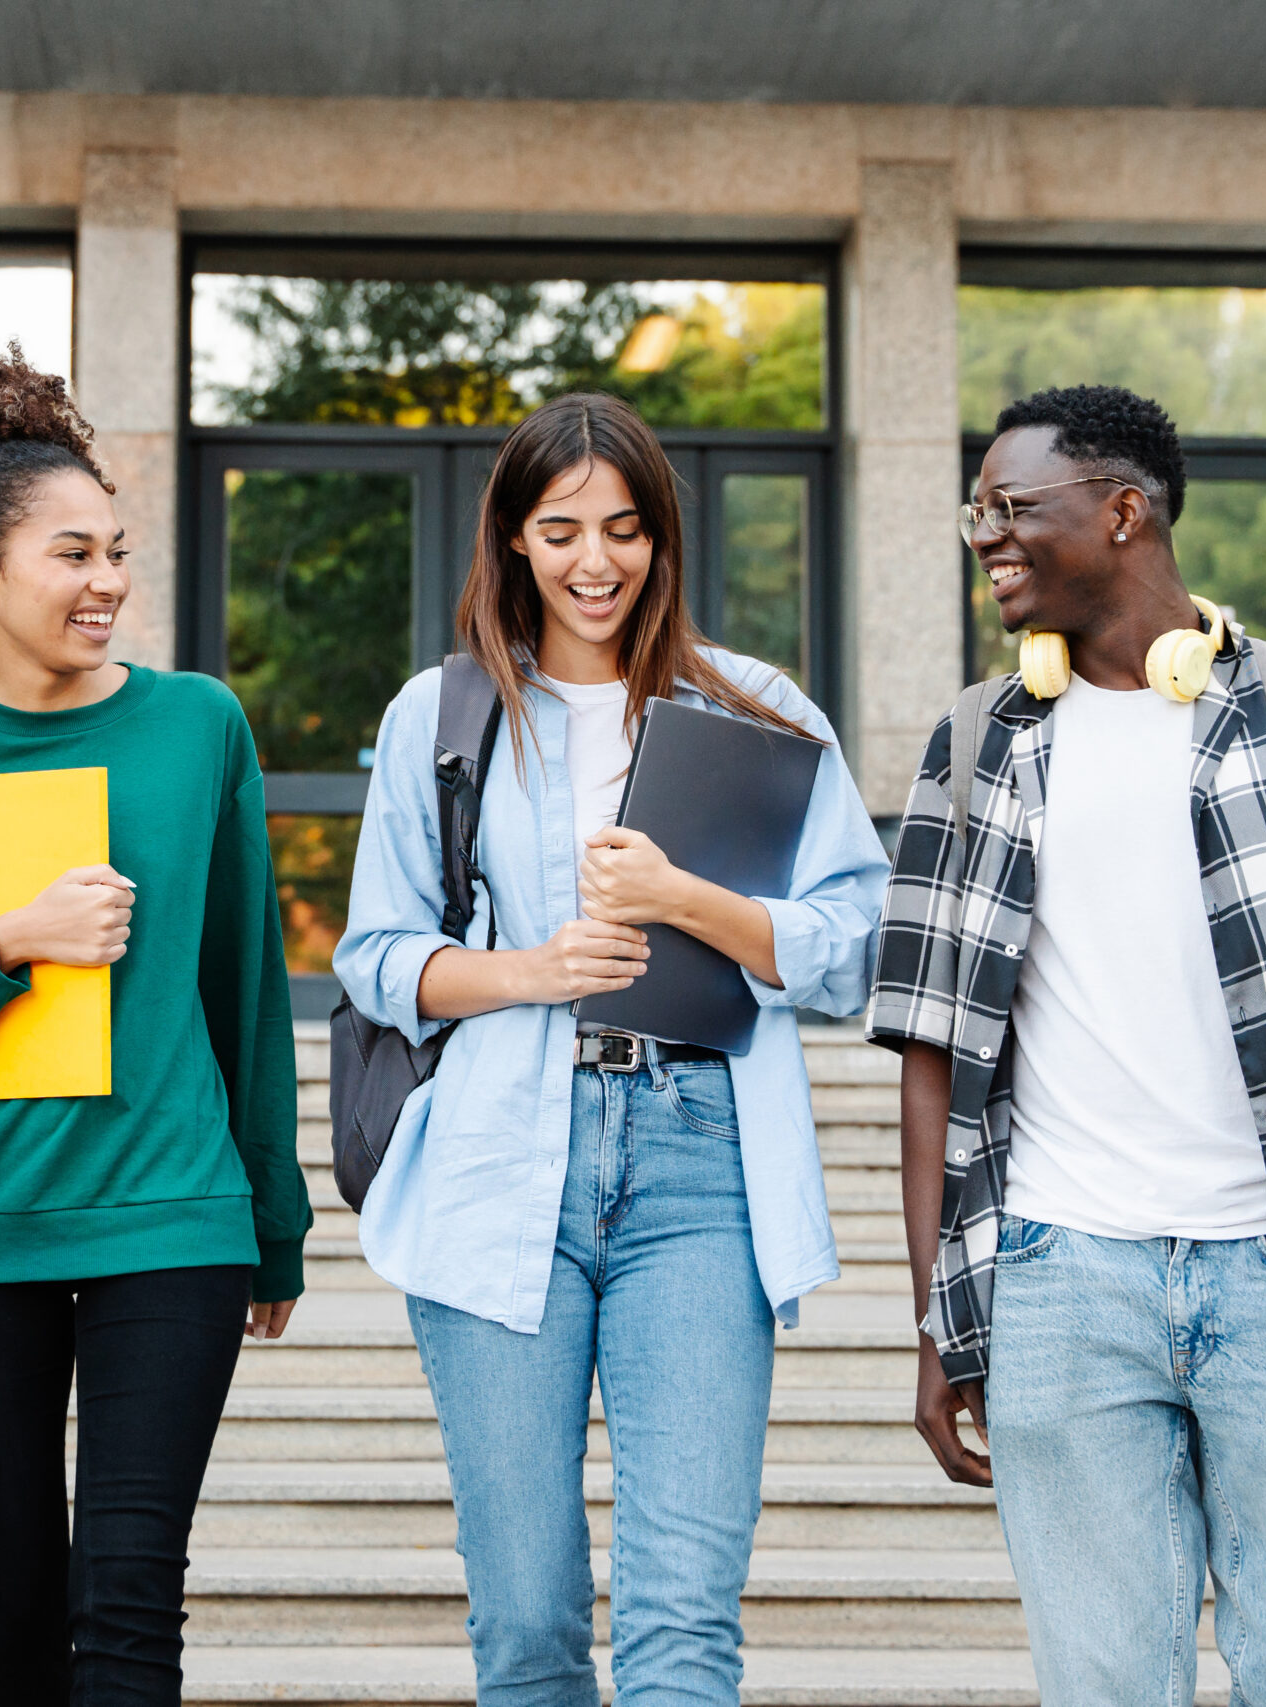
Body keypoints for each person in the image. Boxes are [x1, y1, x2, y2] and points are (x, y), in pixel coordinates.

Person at [869, 384, 1266, 1706]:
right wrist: (940, 1320)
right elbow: (932, 1047)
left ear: (1123, 511)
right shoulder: (977, 744)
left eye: (1012, 506)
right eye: (974, 509)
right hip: (1056, 1278)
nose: (985, 533)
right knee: (1102, 1688)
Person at [335, 392, 886, 1706]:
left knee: (682, 1623)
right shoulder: (446, 714)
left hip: (701, 1162)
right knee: (526, 1622)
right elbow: (374, 957)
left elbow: (856, 947)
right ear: (514, 541)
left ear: (663, 540)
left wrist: (683, 901)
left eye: (627, 530)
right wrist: (532, 972)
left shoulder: (757, 708)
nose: (598, 561)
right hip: (494, 1159)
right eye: (564, 529)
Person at [0, 348, 309, 1706]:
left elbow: (246, 992)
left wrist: (273, 1222)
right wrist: (4, 947)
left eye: (117, 551)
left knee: (129, 1608)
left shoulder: (196, 727)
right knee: (15, 1617)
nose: (107, 580)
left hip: (174, 1218)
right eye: (71, 553)